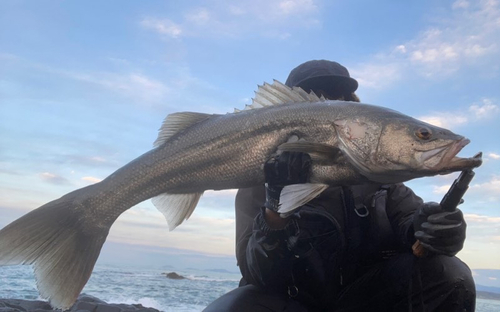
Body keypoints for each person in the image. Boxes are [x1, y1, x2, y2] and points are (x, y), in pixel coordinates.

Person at [204, 60, 476, 311]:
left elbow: (412, 225)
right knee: (238, 305)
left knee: (451, 274)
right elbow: (256, 274)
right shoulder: (259, 182)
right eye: (312, 95)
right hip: (291, 302)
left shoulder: (383, 184)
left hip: (361, 300)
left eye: (339, 97)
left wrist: (438, 230)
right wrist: (275, 212)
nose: (328, 103)